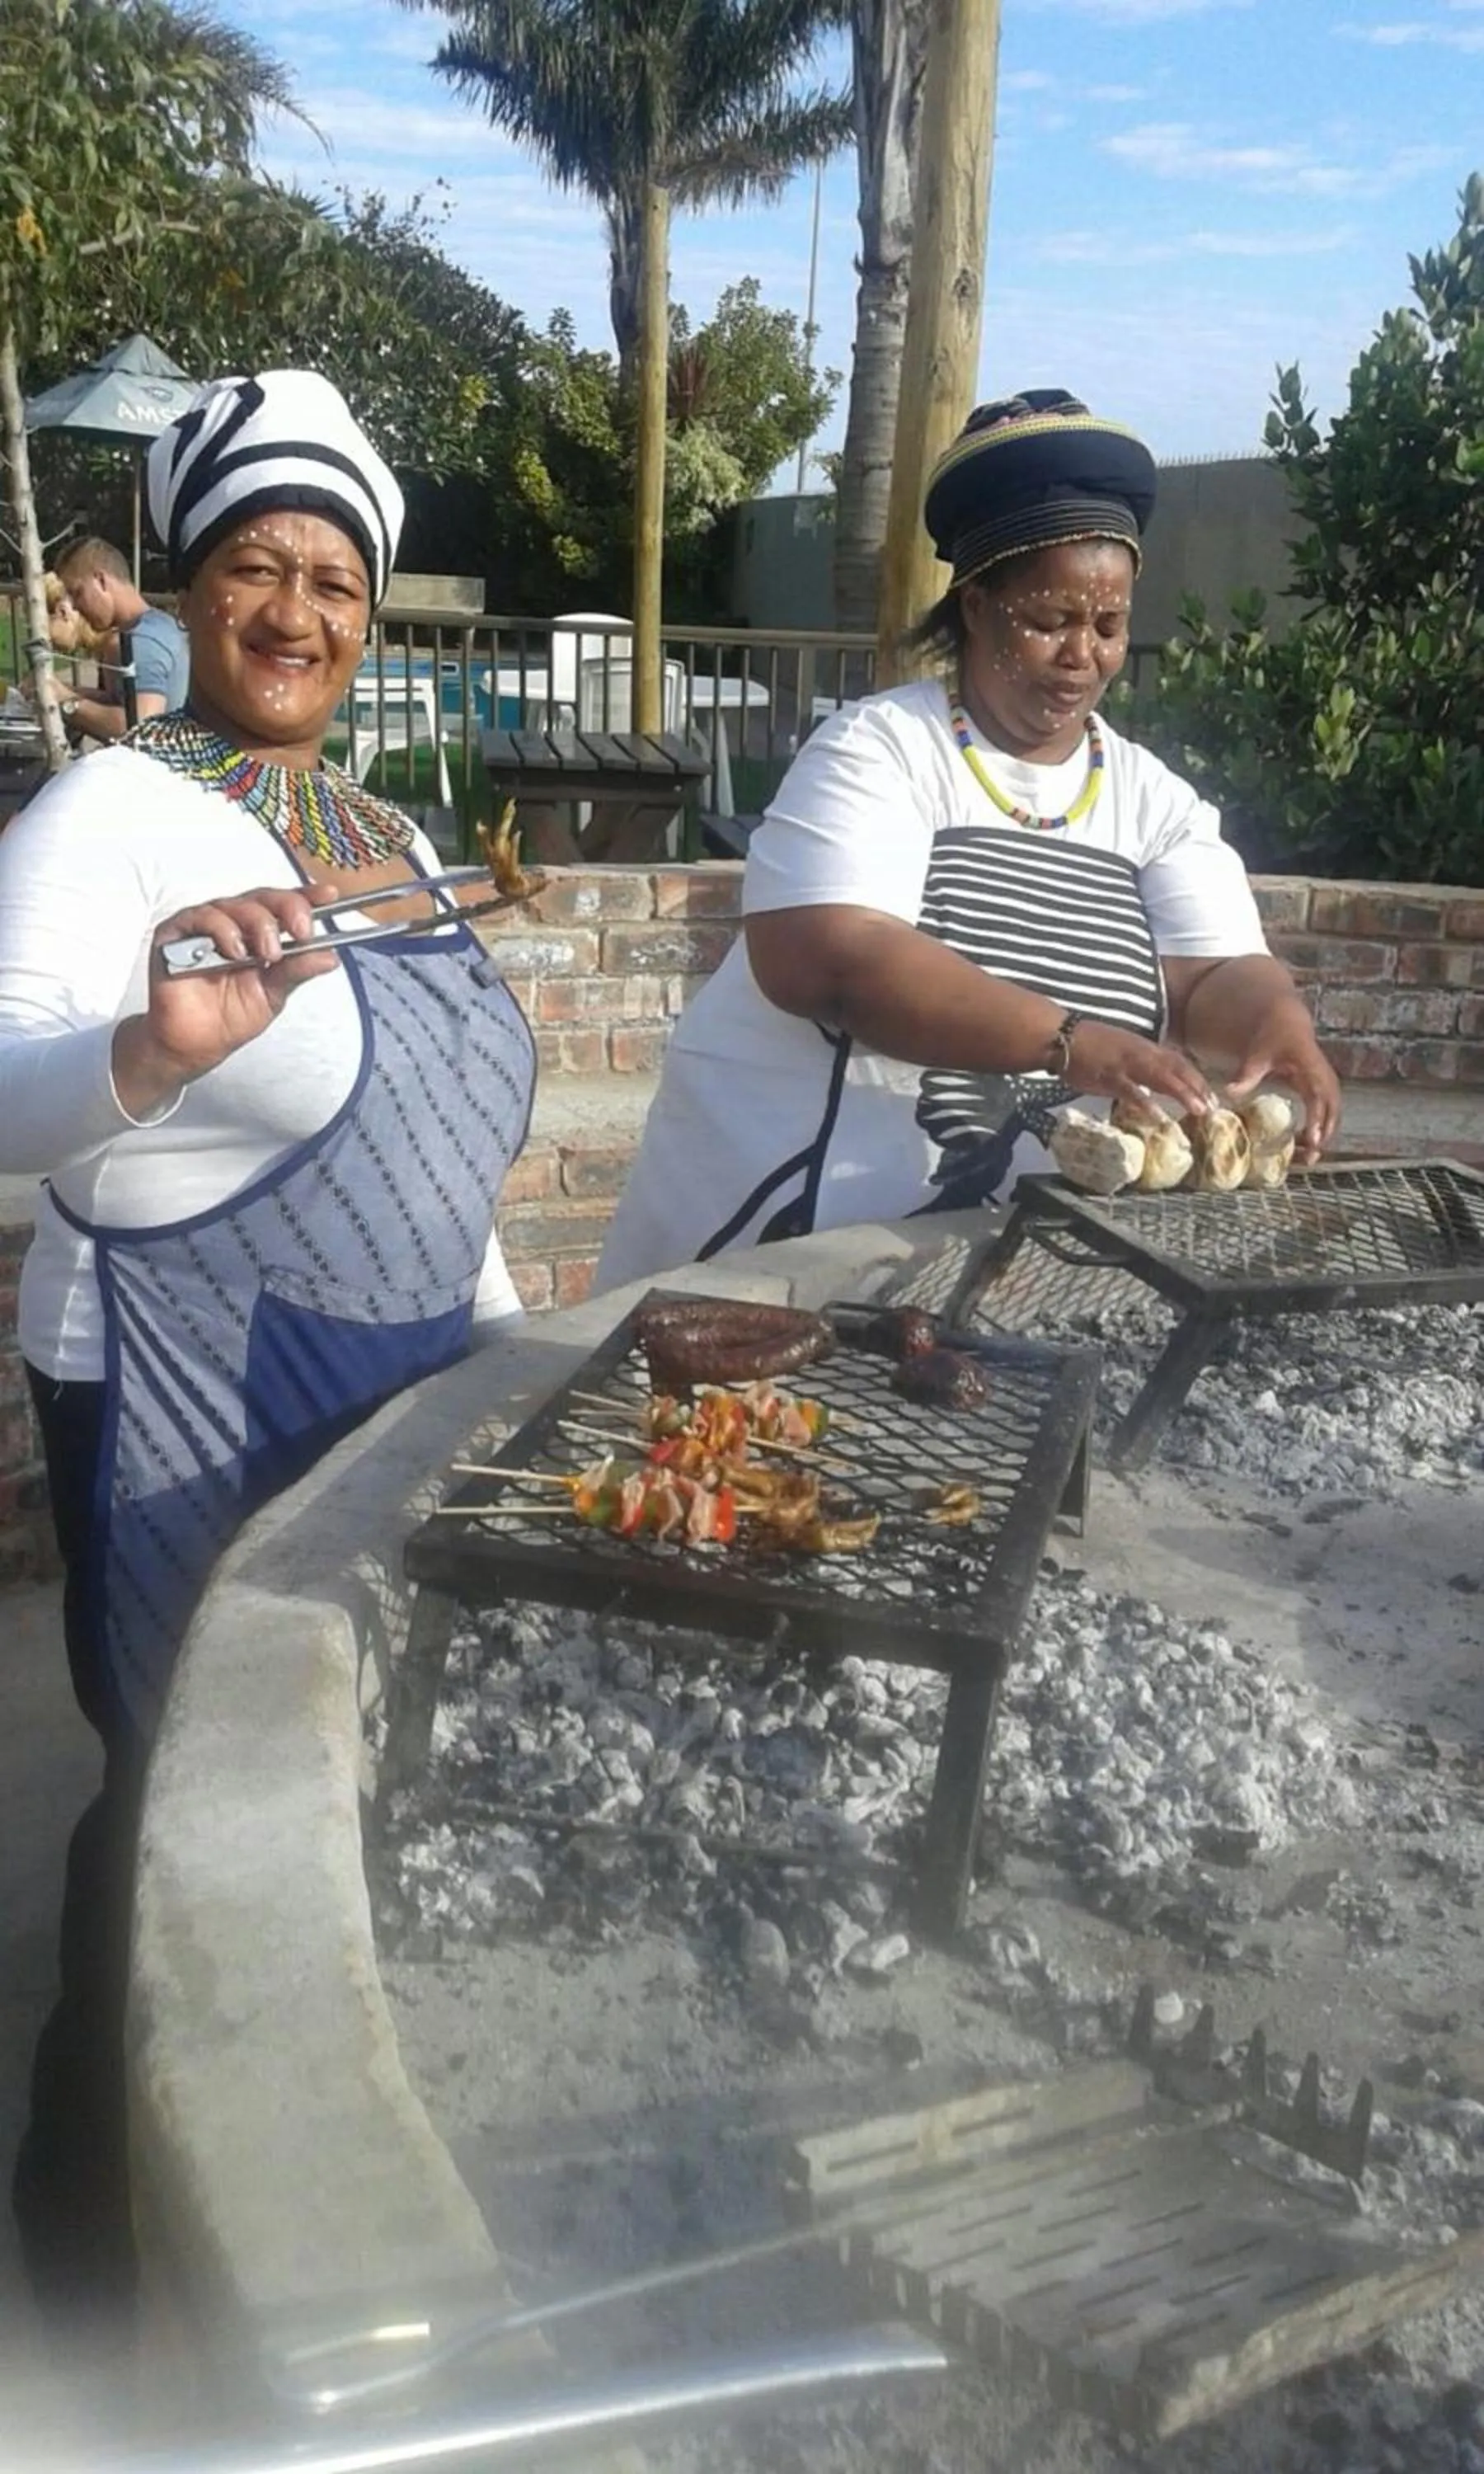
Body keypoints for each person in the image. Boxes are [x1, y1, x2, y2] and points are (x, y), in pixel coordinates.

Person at [0, 369, 535, 2335]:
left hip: (396, 1368)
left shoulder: (391, 829)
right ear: (178, 594)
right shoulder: (112, 806)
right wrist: (144, 1053)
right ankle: (97, 2240)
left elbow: (438, 1136)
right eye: (253, 568)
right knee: (174, 1799)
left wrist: (501, 1361)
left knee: (322, 1783)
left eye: (333, 577)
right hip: (179, 1379)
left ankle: (303, 2185)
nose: (296, 612)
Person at [598, 390, 1340, 1286]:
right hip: (784, 1245)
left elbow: (1213, 971)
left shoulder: (1154, 799)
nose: (1084, 654)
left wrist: (1278, 1024)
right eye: (1050, 620)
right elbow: (826, 957)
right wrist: (1071, 1043)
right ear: (978, 606)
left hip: (984, 1266)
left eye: (1108, 626)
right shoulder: (877, 751)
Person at [45, 534, 190, 740]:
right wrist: (62, 690)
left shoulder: (141, 642)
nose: (74, 606)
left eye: (77, 593)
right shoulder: (158, 624)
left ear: (101, 581)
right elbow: (122, 700)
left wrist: (65, 703)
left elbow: (139, 728)